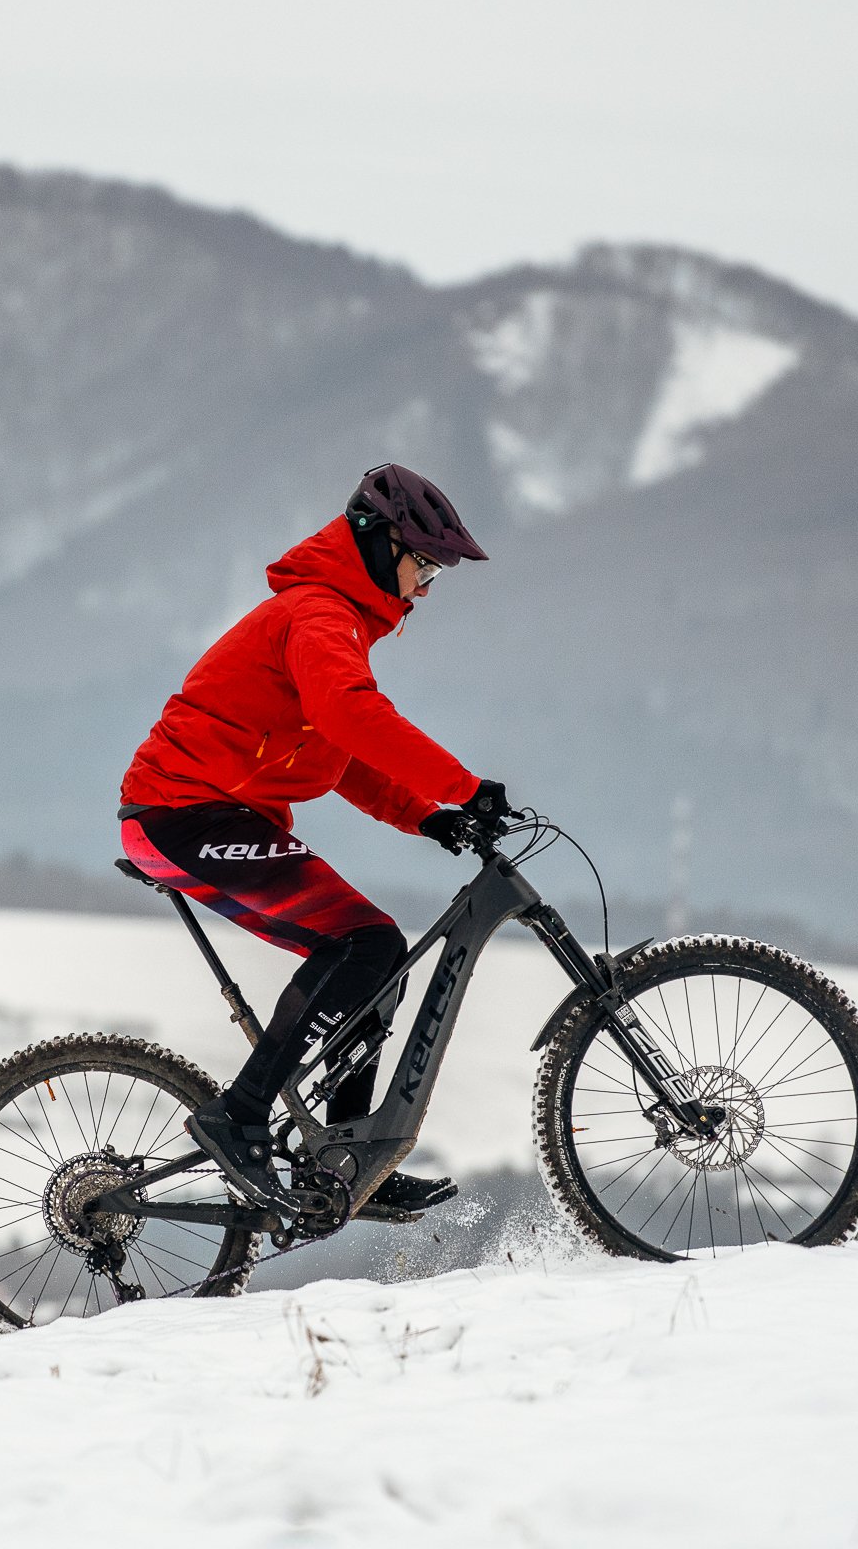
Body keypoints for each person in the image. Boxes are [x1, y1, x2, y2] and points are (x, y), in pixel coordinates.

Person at [117, 462, 510, 1215]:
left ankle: (345, 1162)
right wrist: (463, 787)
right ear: (377, 541)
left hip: (210, 818)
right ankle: (238, 1116)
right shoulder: (321, 616)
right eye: (423, 564)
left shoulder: (336, 624)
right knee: (366, 945)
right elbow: (352, 718)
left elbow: (338, 758)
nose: (426, 588)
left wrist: (428, 816)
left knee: (373, 962)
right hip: (181, 814)